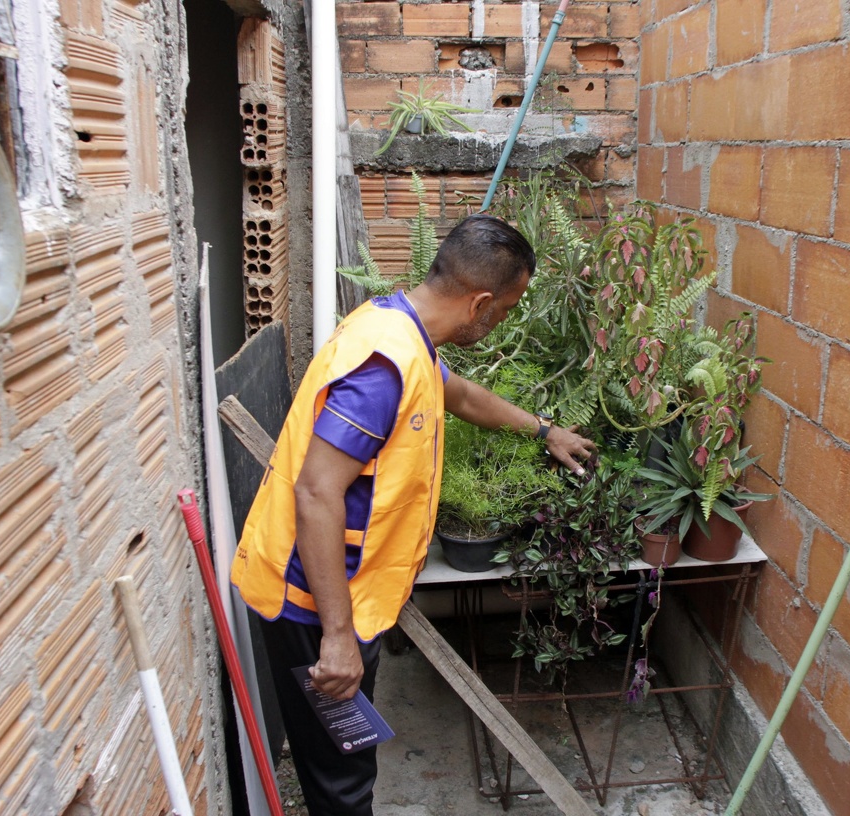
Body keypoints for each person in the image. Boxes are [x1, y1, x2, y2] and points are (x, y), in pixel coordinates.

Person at [231, 214, 596, 815]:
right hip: (314, 601)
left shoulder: (402, 330)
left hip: (339, 592)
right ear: (480, 302)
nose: (498, 324)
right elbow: (318, 493)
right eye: (504, 310)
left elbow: (460, 394)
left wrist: (545, 429)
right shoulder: (383, 369)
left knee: (345, 764)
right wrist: (339, 638)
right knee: (341, 784)